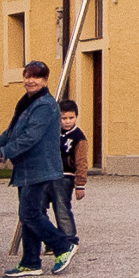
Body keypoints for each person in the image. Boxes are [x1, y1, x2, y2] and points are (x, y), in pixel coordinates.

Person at [0, 60, 77, 276]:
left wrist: (2, 153)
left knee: (30, 214)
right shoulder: (27, 103)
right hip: (26, 168)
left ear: (45, 80)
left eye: (37, 77)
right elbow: (12, 133)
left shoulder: (45, 106)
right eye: (28, 76)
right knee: (31, 214)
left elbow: (30, 138)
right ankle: (31, 261)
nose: (31, 80)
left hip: (40, 168)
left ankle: (63, 245)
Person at [51, 99, 84, 242]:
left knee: (62, 207)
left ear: (76, 117)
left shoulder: (78, 137)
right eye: (63, 118)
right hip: (50, 174)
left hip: (66, 176)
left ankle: (69, 239)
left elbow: (81, 162)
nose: (67, 121)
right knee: (40, 209)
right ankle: (53, 239)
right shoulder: (53, 133)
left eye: (71, 118)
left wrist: (80, 184)